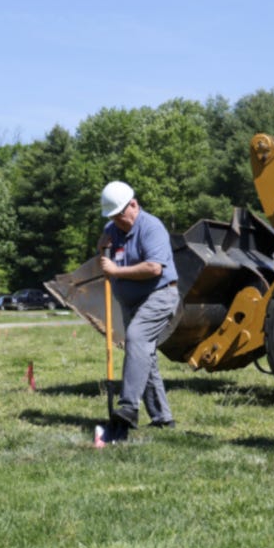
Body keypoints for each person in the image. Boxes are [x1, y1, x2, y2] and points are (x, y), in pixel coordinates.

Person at [96, 181, 180, 440]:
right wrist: (101, 247)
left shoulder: (151, 227)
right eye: (112, 217)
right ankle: (163, 418)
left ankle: (129, 407)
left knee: (137, 338)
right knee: (144, 356)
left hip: (159, 295)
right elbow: (107, 258)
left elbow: (154, 268)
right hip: (130, 301)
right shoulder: (113, 228)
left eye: (120, 215)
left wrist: (116, 272)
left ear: (134, 204)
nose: (117, 221)